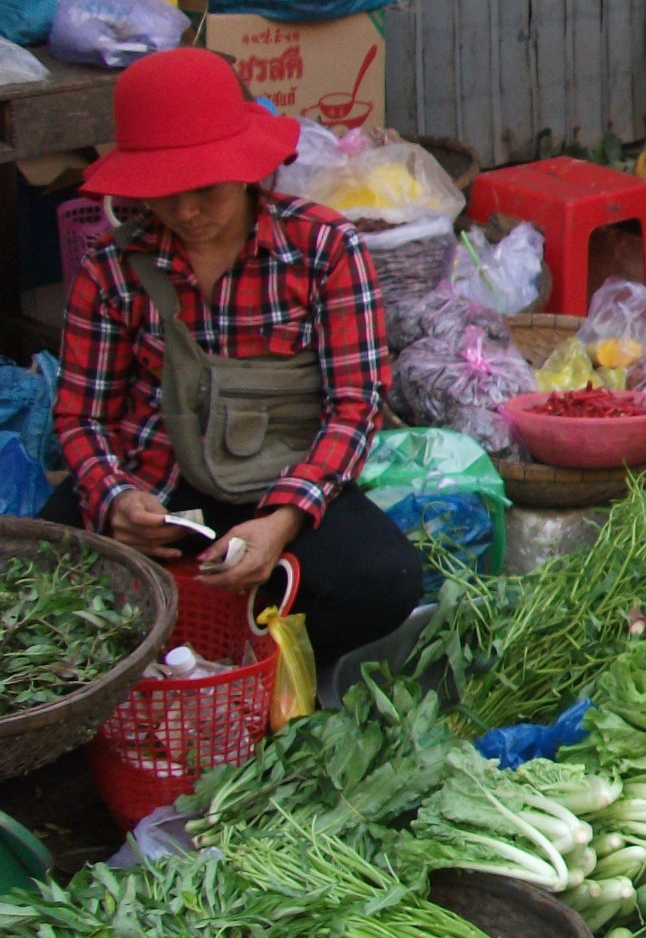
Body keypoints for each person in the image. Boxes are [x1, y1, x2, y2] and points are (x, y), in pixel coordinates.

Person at [46, 49, 422, 662]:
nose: (187, 212)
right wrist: (115, 499)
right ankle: (178, 648)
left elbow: (356, 406)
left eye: (206, 190)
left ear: (248, 170)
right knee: (40, 578)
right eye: (166, 193)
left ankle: (246, 662)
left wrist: (282, 521)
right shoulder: (110, 268)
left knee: (385, 580)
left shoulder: (324, 250)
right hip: (156, 486)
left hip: (275, 481)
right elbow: (81, 417)